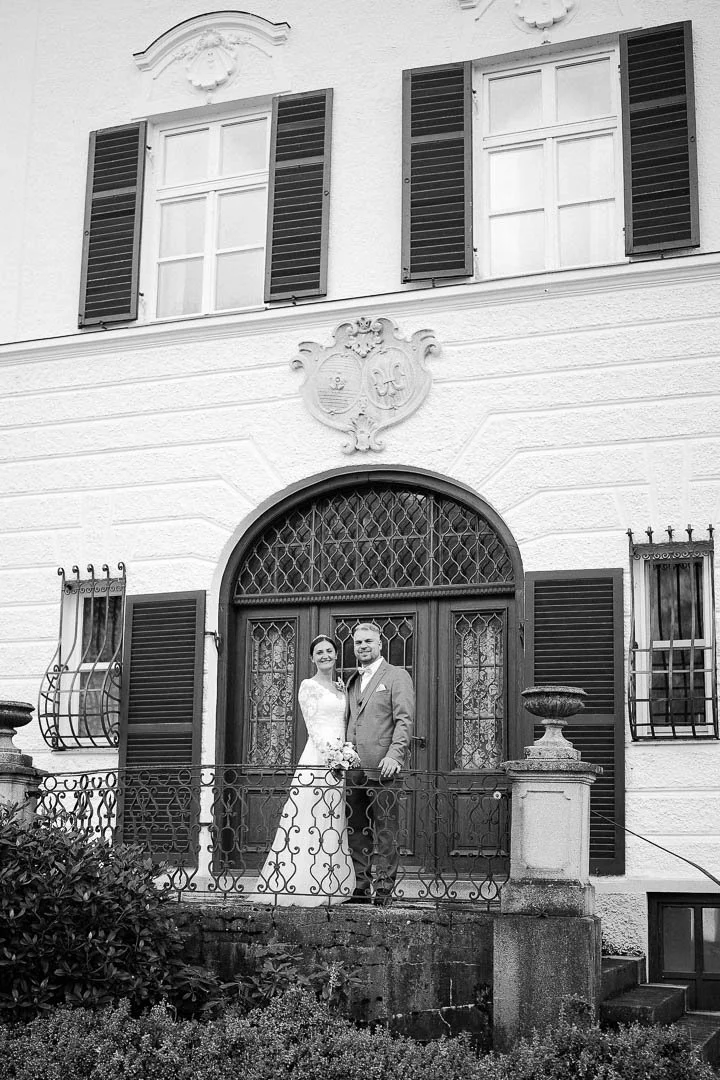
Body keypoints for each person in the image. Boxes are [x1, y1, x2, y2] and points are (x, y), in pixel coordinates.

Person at [250, 635, 356, 906]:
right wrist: (331, 757)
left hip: (339, 762)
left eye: (329, 651)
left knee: (331, 820)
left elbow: (344, 723)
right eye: (319, 652)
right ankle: (300, 882)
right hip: (319, 759)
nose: (325, 655)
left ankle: (329, 880)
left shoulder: (341, 687)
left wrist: (344, 754)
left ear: (336, 654)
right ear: (312, 658)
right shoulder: (308, 686)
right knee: (309, 819)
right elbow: (313, 726)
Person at [344, 622, 414, 905]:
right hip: (353, 769)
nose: (363, 646)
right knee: (357, 831)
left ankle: (383, 889)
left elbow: (404, 719)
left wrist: (394, 755)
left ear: (380, 644)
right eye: (358, 642)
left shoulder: (396, 676)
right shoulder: (352, 681)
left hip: (384, 767)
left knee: (386, 831)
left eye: (368, 641)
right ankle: (361, 888)